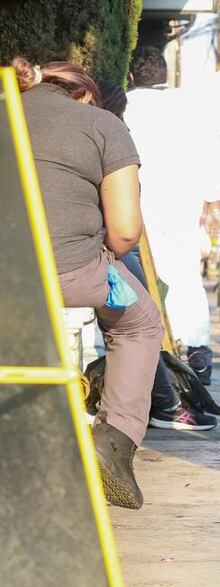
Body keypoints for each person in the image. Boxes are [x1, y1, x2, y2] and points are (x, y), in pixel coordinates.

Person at [16, 57, 163, 509]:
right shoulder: (102, 124)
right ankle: (113, 441)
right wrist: (105, 257)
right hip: (68, 274)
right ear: (83, 94)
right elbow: (125, 230)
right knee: (141, 324)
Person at [96, 79, 217, 431]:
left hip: (76, 249)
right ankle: (164, 406)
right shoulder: (110, 136)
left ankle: (152, 404)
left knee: (140, 309)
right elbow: (123, 232)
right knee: (145, 322)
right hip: (95, 251)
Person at [124, 45, 220, 389]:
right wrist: (213, 204)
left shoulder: (124, 105)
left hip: (135, 200)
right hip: (183, 202)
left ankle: (147, 353)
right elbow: (214, 155)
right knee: (185, 276)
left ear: (132, 75)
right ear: (165, 75)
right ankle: (197, 352)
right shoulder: (194, 105)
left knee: (136, 278)